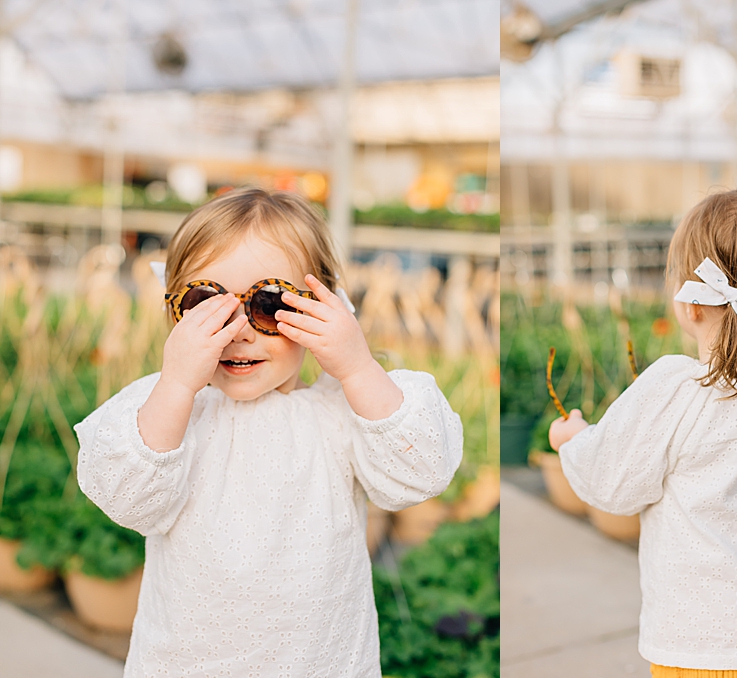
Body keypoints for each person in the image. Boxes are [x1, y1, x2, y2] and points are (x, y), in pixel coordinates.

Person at [74, 187, 463, 677]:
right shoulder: (168, 408)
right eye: (206, 306)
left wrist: (359, 368)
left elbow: (420, 471)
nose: (239, 331)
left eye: (269, 303)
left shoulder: (341, 411)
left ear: (324, 309)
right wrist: (175, 385)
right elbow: (129, 499)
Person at [550, 189, 737, 677]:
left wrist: (574, 440)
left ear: (693, 304)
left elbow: (610, 483)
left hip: (712, 655)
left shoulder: (679, 390)